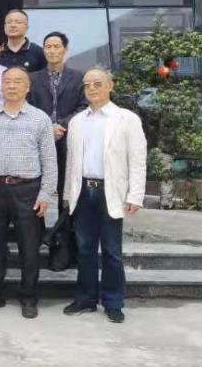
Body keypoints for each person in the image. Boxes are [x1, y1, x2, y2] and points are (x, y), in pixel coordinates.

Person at [63, 69, 147, 324]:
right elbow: (72, 162)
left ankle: (113, 302)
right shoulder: (77, 121)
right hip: (82, 192)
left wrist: (135, 195)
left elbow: (138, 159)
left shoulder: (126, 119)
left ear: (110, 86)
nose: (92, 88)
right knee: (85, 249)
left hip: (110, 191)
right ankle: (85, 299)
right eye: (87, 85)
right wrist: (68, 194)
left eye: (97, 84)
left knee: (112, 250)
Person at [0, 67, 58, 319]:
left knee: (29, 246)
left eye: (18, 81)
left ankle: (29, 296)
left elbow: (49, 160)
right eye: (7, 81)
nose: (12, 86)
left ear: (27, 87)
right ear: (1, 86)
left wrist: (45, 194)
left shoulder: (40, 119)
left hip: (28, 189)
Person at [28, 31, 87, 219]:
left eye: (56, 46)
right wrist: (47, 127)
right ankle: (36, 227)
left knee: (66, 185)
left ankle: (64, 229)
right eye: (48, 47)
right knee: (35, 185)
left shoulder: (79, 77)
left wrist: (61, 125)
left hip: (67, 137)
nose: (52, 50)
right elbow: (27, 106)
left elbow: (84, 107)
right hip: (37, 139)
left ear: (65, 50)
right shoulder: (32, 78)